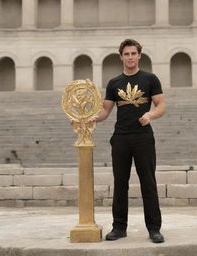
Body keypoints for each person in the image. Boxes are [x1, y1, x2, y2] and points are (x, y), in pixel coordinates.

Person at [73, 38, 165, 243]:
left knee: (148, 183)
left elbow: (161, 106)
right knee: (120, 184)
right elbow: (105, 111)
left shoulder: (150, 79)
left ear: (139, 55)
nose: (130, 57)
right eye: (126, 54)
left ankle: (154, 229)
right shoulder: (114, 83)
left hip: (143, 138)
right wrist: (85, 118)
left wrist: (150, 115)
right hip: (121, 138)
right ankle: (119, 227)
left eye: (133, 53)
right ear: (121, 57)